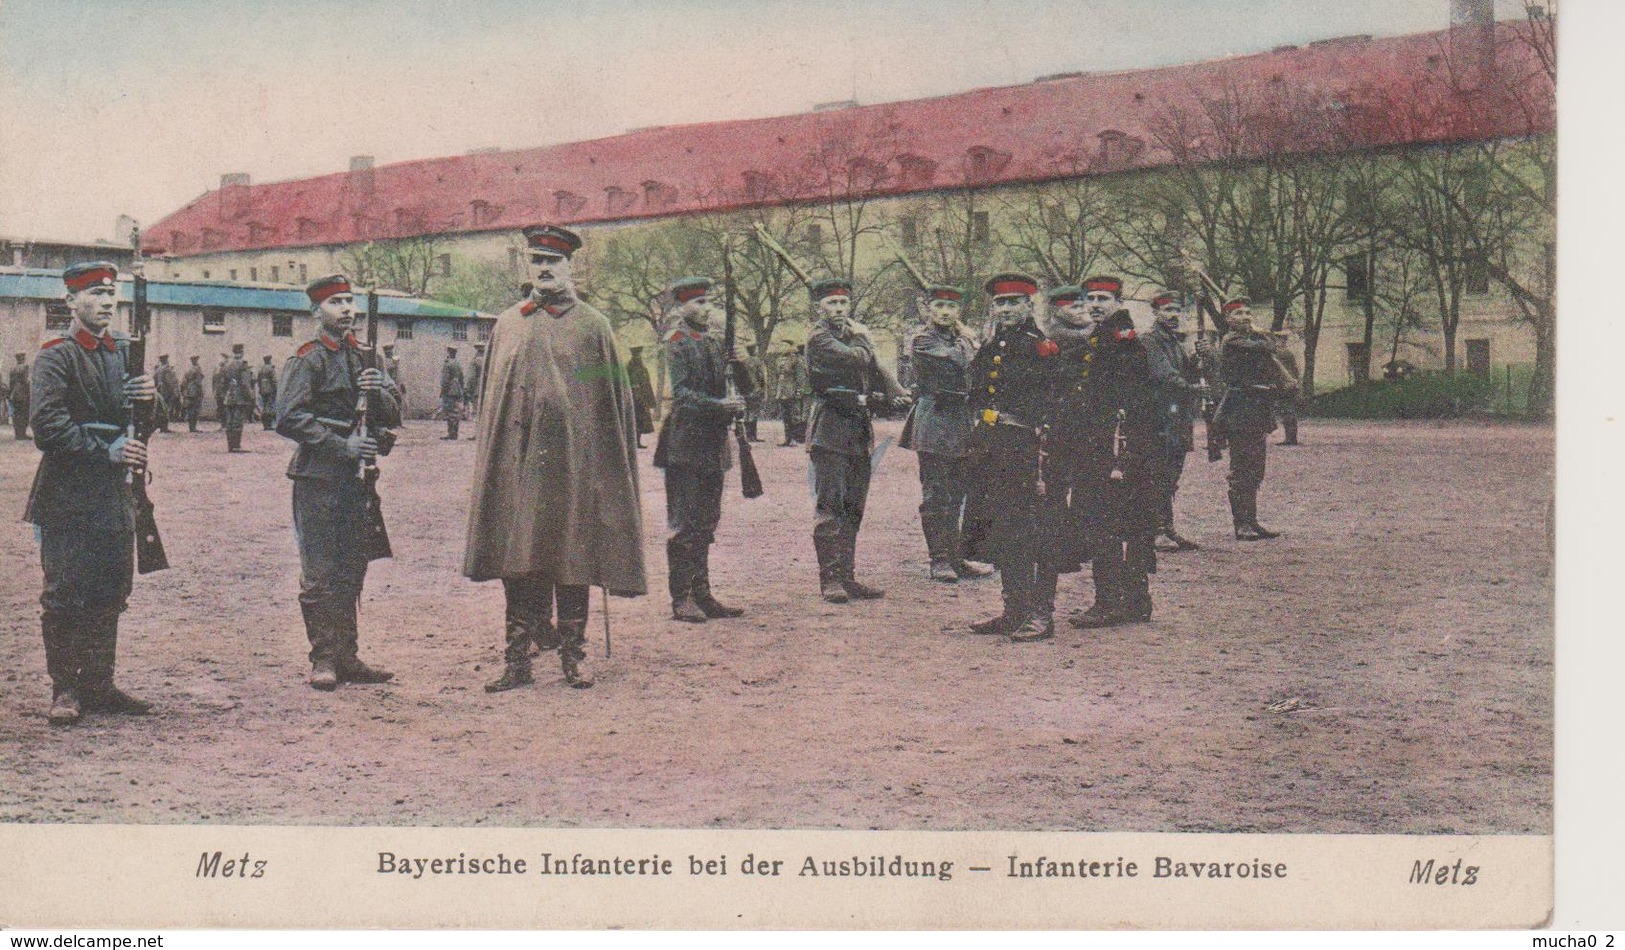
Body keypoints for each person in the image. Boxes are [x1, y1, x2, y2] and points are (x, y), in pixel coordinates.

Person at [466, 225, 645, 691]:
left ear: (571, 267)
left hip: (573, 466)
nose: (544, 269)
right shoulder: (509, 323)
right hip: (518, 467)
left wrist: (603, 461)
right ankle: (517, 660)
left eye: (554, 261)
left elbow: (608, 402)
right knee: (519, 557)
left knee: (572, 556)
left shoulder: (594, 327)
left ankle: (574, 655)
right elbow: (493, 400)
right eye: (537, 260)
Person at [24, 261, 157, 725]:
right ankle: (66, 689)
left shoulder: (123, 351)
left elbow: (142, 428)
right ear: (70, 302)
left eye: (111, 293)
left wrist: (149, 399)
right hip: (67, 494)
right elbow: (47, 427)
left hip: (114, 494)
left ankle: (99, 684)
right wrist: (108, 450)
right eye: (96, 293)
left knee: (110, 588)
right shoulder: (56, 355)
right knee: (66, 590)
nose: (107, 302)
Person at [274, 274, 402, 691]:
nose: (346, 309)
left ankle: (348, 656)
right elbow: (289, 417)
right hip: (318, 477)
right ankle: (323, 658)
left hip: (357, 481)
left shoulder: (366, 357)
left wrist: (379, 390)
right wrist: (340, 445)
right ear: (316, 311)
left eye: (350, 302)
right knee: (320, 571)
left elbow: (391, 417)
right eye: (335, 303)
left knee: (353, 566)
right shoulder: (307, 358)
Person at [963, 273, 1060, 641]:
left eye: (1013, 302)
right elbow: (976, 393)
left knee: (1032, 529)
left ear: (1028, 305)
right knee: (1004, 527)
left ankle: (1041, 614)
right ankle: (1014, 609)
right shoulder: (992, 346)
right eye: (1000, 303)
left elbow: (1051, 401)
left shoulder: (1041, 347)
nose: (1006, 309)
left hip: (1026, 448)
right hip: (992, 447)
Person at [1060, 278, 1160, 630]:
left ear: (1118, 302)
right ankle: (1134, 600)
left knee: (1106, 522)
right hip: (1108, 444)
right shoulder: (1102, 336)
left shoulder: (1122, 340)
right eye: (1091, 299)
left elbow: (1129, 399)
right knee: (1125, 522)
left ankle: (1111, 602)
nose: (1096, 304)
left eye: (1104, 298)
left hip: (1114, 447)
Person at [652, 276, 752, 623]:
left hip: (711, 443)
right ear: (681, 307)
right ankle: (681, 599)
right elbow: (682, 395)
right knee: (685, 523)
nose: (706, 309)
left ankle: (703, 594)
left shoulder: (713, 344)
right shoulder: (677, 342)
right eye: (697, 303)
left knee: (707, 520)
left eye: (709, 303)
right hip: (684, 443)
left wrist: (741, 362)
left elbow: (748, 389)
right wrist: (722, 406)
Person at [898, 284, 991, 583]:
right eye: (938, 306)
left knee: (958, 493)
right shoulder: (923, 340)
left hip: (961, 420)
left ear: (958, 311)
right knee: (937, 493)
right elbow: (959, 360)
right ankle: (939, 559)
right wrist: (968, 339)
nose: (945, 312)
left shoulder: (958, 339)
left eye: (951, 307)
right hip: (934, 420)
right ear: (928, 309)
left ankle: (956, 557)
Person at [1211, 299, 1287, 541]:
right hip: (1240, 408)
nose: (1245, 317)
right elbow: (1268, 347)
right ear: (1228, 320)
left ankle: (1251, 520)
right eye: (1238, 313)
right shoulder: (1233, 340)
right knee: (1242, 468)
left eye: (1248, 312)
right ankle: (1241, 524)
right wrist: (1261, 332)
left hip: (1256, 407)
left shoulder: (1252, 339)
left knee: (1255, 468)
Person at [1142, 292, 1201, 551]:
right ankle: (1155, 530)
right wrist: (1194, 388)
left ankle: (1167, 528)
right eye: (1168, 310)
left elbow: (1189, 372)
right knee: (1158, 473)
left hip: (1177, 416)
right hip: (1159, 416)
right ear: (1156, 313)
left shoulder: (1176, 343)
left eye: (1178, 311)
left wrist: (1200, 359)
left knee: (1171, 474)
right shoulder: (1150, 341)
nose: (1175, 315)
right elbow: (1164, 375)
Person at [1271, 330, 1303, 445]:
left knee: (1287, 412)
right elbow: (1295, 371)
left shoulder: (1279, 353)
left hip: (1284, 386)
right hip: (1290, 385)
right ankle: (1291, 437)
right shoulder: (1288, 352)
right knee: (1288, 411)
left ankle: (1290, 438)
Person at [221, 343, 254, 452]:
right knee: (237, 421)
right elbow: (245, 383)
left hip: (229, 395)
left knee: (229, 421)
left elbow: (223, 382)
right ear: (241, 351)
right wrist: (249, 396)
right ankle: (236, 445)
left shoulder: (227, 364)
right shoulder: (243, 364)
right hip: (239, 396)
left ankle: (230, 445)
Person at [771, 343, 805, 446]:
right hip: (782, 392)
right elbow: (777, 376)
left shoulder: (796, 360)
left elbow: (800, 377)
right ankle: (787, 438)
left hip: (792, 391)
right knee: (785, 416)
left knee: (794, 416)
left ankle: (795, 439)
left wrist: (799, 391)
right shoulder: (779, 360)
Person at [625, 344, 658, 449]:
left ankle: (637, 442)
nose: (639, 356)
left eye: (639, 354)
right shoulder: (630, 366)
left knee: (640, 420)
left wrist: (648, 398)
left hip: (642, 397)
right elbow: (629, 381)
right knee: (634, 419)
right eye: (637, 354)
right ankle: (633, 443)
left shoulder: (642, 366)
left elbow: (646, 383)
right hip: (634, 397)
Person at [740, 343, 767, 442]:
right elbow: (760, 377)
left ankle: (748, 436)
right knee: (754, 412)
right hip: (755, 390)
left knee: (747, 412)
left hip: (745, 391)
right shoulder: (757, 361)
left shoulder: (743, 362)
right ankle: (753, 436)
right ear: (754, 350)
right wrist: (763, 389)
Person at [438, 345, 466, 440]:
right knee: (455, 412)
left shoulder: (447, 363)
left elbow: (445, 380)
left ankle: (451, 434)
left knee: (450, 412)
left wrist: (443, 391)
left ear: (448, 352)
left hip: (449, 390)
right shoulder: (458, 363)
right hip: (457, 390)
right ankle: (454, 433)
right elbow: (462, 378)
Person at [153, 354, 180, 434]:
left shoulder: (158, 369)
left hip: (159, 391)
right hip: (167, 392)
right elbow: (170, 382)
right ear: (166, 360)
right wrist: (175, 392)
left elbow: (154, 379)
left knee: (161, 409)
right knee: (167, 409)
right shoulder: (167, 369)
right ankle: (164, 427)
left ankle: (161, 426)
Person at [465, 341, 486, 438]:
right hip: (488, 391)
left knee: (478, 412)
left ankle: (478, 434)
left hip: (478, 390)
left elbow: (471, 378)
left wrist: (468, 390)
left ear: (477, 350)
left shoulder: (475, 361)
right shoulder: (489, 361)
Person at [9, 352, 32, 439]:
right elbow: (25, 381)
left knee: (16, 414)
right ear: (23, 358)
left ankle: (17, 434)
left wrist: (11, 394)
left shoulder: (12, 368)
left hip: (14, 394)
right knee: (24, 414)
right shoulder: (25, 367)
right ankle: (22, 434)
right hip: (23, 394)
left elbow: (11, 383)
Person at [181, 355, 206, 432]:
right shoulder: (197, 369)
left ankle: (191, 427)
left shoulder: (188, 369)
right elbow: (199, 381)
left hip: (188, 391)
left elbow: (183, 382)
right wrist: (201, 391)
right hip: (195, 391)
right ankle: (193, 428)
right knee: (195, 410)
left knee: (190, 409)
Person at [381, 343, 406, 421]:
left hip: (397, 385)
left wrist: (402, 384)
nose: (390, 352)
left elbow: (398, 375)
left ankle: (399, 420)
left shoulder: (394, 361)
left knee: (399, 403)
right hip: (389, 385)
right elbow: (388, 374)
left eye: (391, 351)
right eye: (388, 351)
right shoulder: (385, 362)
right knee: (392, 403)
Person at [255, 355, 279, 430]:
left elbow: (258, 381)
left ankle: (265, 425)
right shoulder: (271, 369)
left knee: (265, 407)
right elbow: (274, 381)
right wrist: (276, 389)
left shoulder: (261, 370)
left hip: (263, 391)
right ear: (269, 360)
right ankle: (270, 425)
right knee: (270, 407)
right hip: (270, 390)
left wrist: (260, 389)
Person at [211, 353, 228, 429]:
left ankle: (226, 423)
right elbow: (213, 380)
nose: (223, 360)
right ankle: (223, 424)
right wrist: (214, 390)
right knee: (221, 407)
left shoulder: (227, 368)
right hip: (219, 391)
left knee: (225, 407)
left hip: (225, 391)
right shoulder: (217, 369)